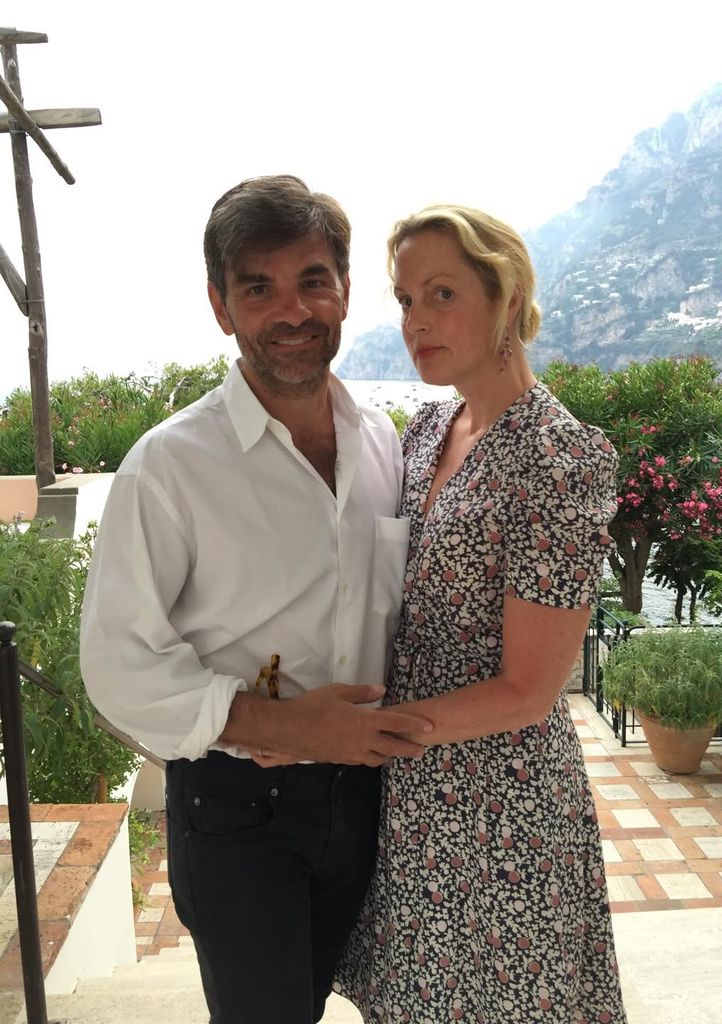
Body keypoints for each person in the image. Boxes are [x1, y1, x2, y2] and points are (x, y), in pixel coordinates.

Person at [79, 175, 433, 1024]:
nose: (293, 310)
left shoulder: (380, 440)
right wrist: (285, 726)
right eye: (258, 287)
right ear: (220, 305)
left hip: (366, 799)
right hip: (240, 813)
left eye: (313, 279)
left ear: (345, 288)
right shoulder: (170, 465)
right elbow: (119, 668)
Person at [332, 206, 628, 1023]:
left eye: (442, 293)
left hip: (502, 808)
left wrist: (370, 731)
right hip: (413, 792)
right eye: (403, 300)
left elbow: (529, 690)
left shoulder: (559, 456)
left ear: (508, 296)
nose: (416, 322)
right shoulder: (429, 427)